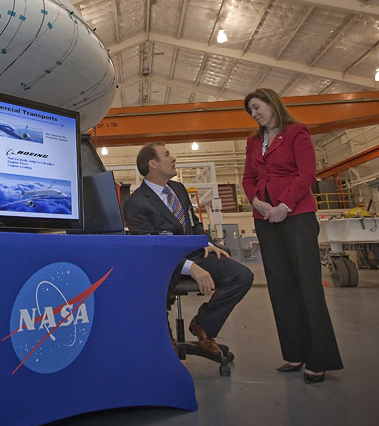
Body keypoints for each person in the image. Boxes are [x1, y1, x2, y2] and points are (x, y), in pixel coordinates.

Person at [242, 88, 343, 384]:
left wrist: (284, 206)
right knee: (281, 287)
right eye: (250, 110)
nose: (254, 114)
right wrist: (257, 203)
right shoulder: (253, 141)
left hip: (296, 216)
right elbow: (248, 178)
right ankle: (295, 353)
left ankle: (319, 358)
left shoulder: (297, 132)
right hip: (265, 218)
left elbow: (307, 174)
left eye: (257, 107)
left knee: (307, 286)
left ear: (272, 104)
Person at [123, 142, 254, 356]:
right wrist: (189, 267)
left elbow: (194, 224)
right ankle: (164, 339)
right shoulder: (135, 203)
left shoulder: (179, 189)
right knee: (153, 283)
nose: (173, 158)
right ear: (153, 164)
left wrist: (208, 244)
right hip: (163, 263)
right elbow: (150, 247)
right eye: (167, 155)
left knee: (242, 276)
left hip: (195, 252)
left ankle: (203, 325)